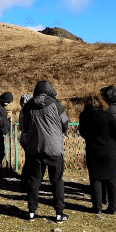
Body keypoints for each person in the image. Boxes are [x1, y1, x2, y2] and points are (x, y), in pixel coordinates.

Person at [20, 81, 69, 222]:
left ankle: (31, 211)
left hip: (35, 149)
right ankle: (59, 213)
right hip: (54, 148)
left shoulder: (28, 106)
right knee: (57, 181)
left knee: (34, 180)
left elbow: (24, 126)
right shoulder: (56, 105)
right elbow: (65, 125)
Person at [79, 93, 116, 214]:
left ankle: (97, 207)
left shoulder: (84, 116)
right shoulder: (108, 115)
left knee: (95, 179)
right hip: (109, 150)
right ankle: (113, 207)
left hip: (93, 150)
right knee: (112, 180)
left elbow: (82, 132)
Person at [18, 93, 33, 190]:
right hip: (30, 138)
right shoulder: (30, 111)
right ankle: (27, 182)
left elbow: (21, 126)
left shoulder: (21, 112)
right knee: (31, 161)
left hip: (23, 137)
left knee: (29, 160)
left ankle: (25, 180)